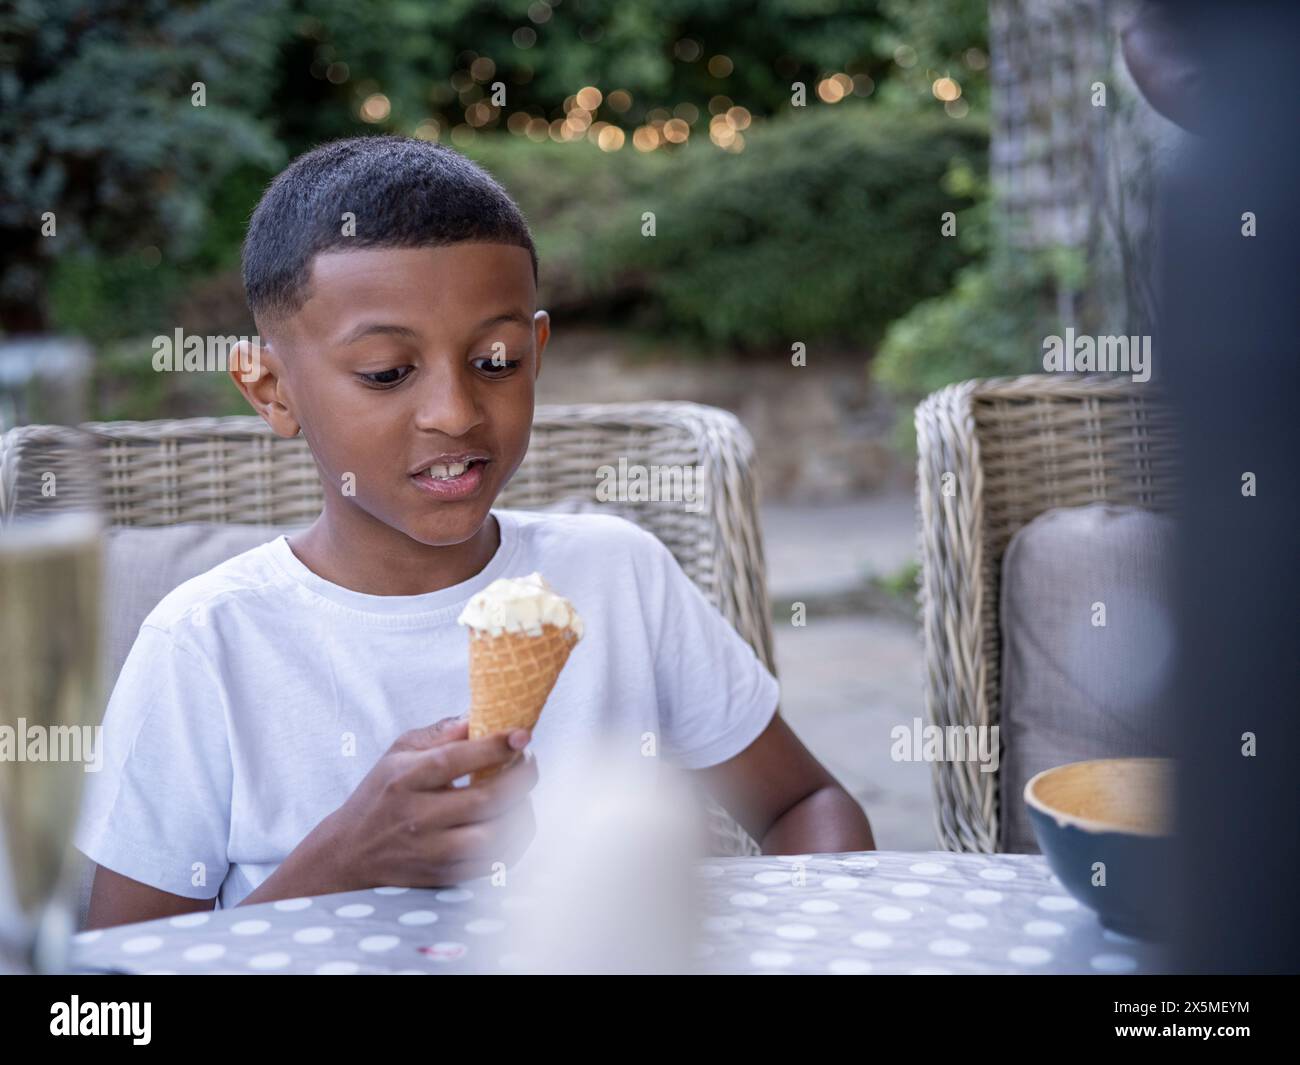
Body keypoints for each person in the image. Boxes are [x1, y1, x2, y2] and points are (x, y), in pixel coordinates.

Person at [74, 135, 875, 928]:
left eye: (496, 360)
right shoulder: (205, 644)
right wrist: (347, 858)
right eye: (387, 373)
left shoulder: (617, 574)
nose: (455, 412)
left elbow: (806, 802)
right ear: (271, 388)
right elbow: (118, 985)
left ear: (537, 350)